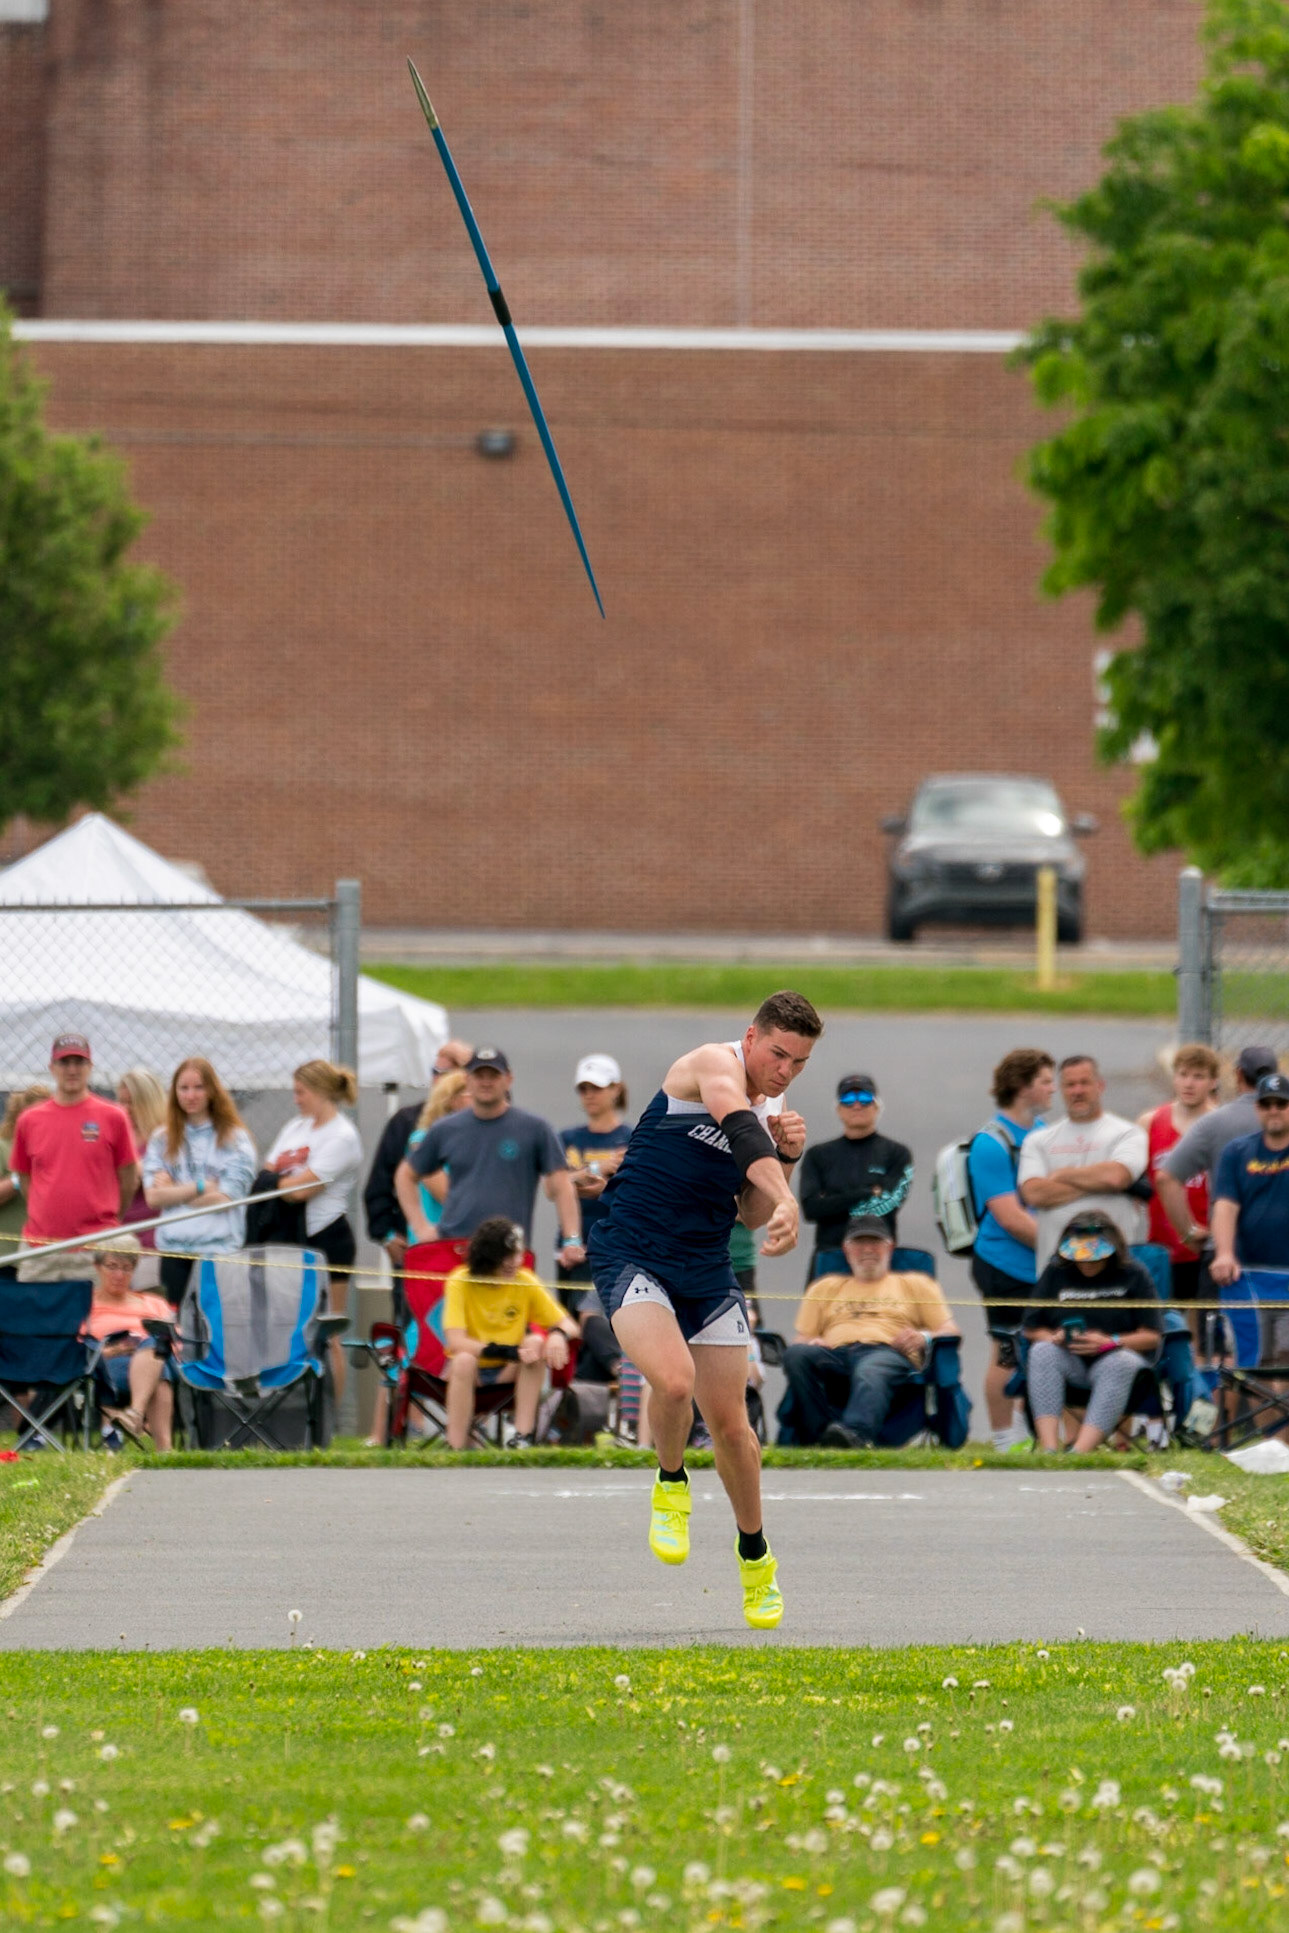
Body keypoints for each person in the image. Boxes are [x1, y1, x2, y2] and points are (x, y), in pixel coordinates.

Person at [588, 989, 823, 1630]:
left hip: (704, 1266)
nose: (784, 1072)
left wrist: (788, 1161)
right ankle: (671, 1482)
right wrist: (788, 1195)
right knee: (673, 1381)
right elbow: (739, 1129)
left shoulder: (775, 1108)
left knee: (734, 1428)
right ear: (750, 1038)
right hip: (632, 1250)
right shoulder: (711, 1065)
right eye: (777, 1054)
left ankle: (756, 1558)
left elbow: (749, 1211)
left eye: (799, 1063)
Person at [780, 1216, 959, 1447]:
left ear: (890, 1247)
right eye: (859, 1243)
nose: (867, 1250)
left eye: (875, 1242)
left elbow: (949, 1330)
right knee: (796, 1355)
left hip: (888, 1353)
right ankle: (821, 1434)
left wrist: (923, 1338)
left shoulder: (916, 1284)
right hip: (836, 1354)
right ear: (846, 1249)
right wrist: (811, 1341)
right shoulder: (824, 1287)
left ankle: (856, 1435)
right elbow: (801, 1338)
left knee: (871, 1368)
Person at [395, 1047, 584, 1260]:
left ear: (509, 1079)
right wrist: (421, 1228)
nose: (486, 1082)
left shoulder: (534, 1128)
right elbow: (406, 1175)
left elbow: (561, 1185)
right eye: (479, 1075)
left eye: (493, 1075)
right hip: (456, 1249)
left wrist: (572, 1239)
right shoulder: (446, 1129)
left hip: (510, 1252)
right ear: (467, 1080)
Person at [966, 1048, 1055, 1450]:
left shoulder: (1044, 1133)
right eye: (1045, 1081)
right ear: (1022, 1086)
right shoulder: (991, 1143)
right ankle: (1004, 1437)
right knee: (1006, 1350)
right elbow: (1010, 1217)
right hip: (1003, 1264)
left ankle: (1032, 1430)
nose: (1052, 1089)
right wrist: (1062, 1250)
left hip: (1041, 1264)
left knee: (1042, 1347)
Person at [1021, 1210, 1163, 1452]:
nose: (1086, 1263)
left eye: (1095, 1258)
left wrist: (1110, 1341)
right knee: (1042, 1351)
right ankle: (1049, 1450)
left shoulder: (1134, 1274)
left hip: (1117, 1358)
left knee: (1120, 1362)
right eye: (1080, 1257)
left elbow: (1152, 1336)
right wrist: (1054, 1338)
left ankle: (1080, 1452)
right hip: (1070, 1359)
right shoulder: (1055, 1272)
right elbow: (1031, 1329)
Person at [264, 1060, 363, 1402]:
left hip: (327, 1237)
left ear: (321, 1091)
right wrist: (280, 1183)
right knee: (288, 1326)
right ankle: (289, 1406)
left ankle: (330, 1413)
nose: (296, 1100)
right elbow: (267, 1172)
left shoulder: (342, 1136)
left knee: (327, 1331)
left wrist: (278, 1183)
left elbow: (301, 1191)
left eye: (301, 1092)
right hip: (290, 1237)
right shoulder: (295, 1127)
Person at [442, 1216, 579, 1450]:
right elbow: (456, 1342)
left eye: (517, 1254)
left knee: (536, 1343)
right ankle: (455, 1447)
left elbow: (570, 1326)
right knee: (464, 1360)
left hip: (507, 1371)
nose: (515, 1262)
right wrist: (508, 1351)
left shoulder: (525, 1280)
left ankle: (521, 1437)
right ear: (487, 1257)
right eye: (506, 1256)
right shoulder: (460, 1280)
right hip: (470, 1370)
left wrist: (557, 1334)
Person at [9, 1035, 138, 1282]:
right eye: (64, 1062)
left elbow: (129, 1179)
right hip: (40, 1250)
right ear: (51, 1068)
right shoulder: (29, 1120)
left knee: (97, 1309)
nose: (72, 1070)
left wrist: (107, 1221)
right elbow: (25, 1178)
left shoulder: (114, 1116)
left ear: (90, 1067)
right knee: (33, 1308)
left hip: (95, 1249)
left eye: (79, 1062)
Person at [141, 1058, 258, 1306]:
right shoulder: (161, 1139)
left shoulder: (236, 1140)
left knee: (214, 1325)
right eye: (183, 1088)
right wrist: (201, 1187)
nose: (190, 1095)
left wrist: (173, 1190)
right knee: (176, 1325)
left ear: (212, 1090)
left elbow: (225, 1200)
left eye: (198, 1087)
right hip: (174, 1251)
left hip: (219, 1252)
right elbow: (153, 1197)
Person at [1017, 1055, 1148, 1272]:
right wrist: (1101, 1184)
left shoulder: (1128, 1133)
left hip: (1116, 1270)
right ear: (1061, 1090)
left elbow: (1117, 1177)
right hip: (1057, 1271)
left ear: (1100, 1086)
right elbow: (1034, 1194)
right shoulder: (1038, 1140)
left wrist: (1062, 1175)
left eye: (1084, 1083)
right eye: (1070, 1085)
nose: (1077, 1091)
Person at [362, 1041, 475, 1272]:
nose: (437, 1079)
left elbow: (501, 1107)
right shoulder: (410, 1124)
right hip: (429, 1246)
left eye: (446, 1073)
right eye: (434, 1072)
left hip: (470, 1247)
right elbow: (380, 1183)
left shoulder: (485, 1128)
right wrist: (386, 1234)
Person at [1157, 1044, 1278, 1250]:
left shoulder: (1214, 1122)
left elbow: (1166, 1178)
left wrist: (1188, 1233)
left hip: (1227, 1247)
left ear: (1238, 1075)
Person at [1137, 1044, 1220, 1342]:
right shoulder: (1150, 1122)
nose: (1189, 1083)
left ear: (1213, 1082)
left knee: (1203, 1335)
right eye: (1183, 1075)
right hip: (1162, 1245)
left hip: (1206, 1246)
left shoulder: (1220, 1124)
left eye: (1198, 1076)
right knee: (1163, 1330)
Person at [798, 1072, 914, 1270]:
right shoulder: (817, 1155)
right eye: (848, 1099)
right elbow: (811, 1209)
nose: (857, 1105)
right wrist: (868, 1192)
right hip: (830, 1257)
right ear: (838, 1109)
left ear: (877, 1106)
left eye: (865, 1098)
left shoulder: (897, 1153)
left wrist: (832, 1200)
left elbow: (889, 1203)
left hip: (878, 1258)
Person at [83, 1234, 175, 1450]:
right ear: (97, 1267)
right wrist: (113, 1350)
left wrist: (144, 1346)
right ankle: (164, 1448)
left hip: (156, 1361)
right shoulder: (85, 1303)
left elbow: (176, 1342)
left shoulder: (154, 1303)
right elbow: (75, 1348)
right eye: (112, 1266)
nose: (119, 1275)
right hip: (105, 1367)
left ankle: (134, 1414)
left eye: (127, 1268)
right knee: (160, 1373)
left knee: (154, 1346)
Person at [558, 1054, 632, 1310]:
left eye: (597, 1088)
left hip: (616, 1248)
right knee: (571, 1320)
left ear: (616, 1089)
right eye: (584, 1089)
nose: (589, 1095)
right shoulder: (568, 1138)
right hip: (573, 1249)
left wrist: (604, 1186)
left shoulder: (632, 1137)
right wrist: (599, 1167)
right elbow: (554, 1185)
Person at [115, 1068, 167, 1279]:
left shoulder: (164, 1136)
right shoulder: (116, 1134)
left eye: (132, 1102)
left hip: (152, 1237)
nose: (125, 1109)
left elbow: (164, 1180)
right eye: (122, 1101)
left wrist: (135, 1170)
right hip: (117, 1236)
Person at [0, 1084, 50, 1280]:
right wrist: (21, 1177)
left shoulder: (53, 1149)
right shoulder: (4, 1146)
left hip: (43, 1255)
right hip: (7, 1255)